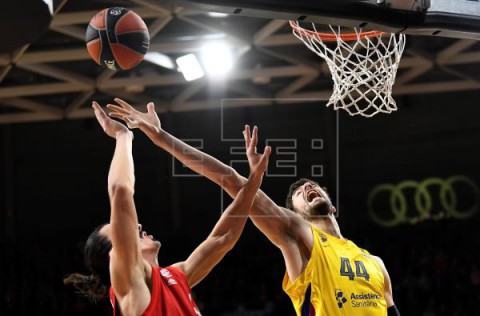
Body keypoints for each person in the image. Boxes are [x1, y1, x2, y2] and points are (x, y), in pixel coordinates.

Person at [107, 98, 401, 316]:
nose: (307, 188)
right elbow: (231, 181)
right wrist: (161, 137)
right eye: (299, 192)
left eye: (313, 186)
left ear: (333, 206)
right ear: (294, 215)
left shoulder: (376, 264)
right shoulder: (298, 236)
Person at [64, 101, 271, 316]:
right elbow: (120, 190)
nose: (137, 225)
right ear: (114, 256)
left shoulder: (175, 276)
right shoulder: (129, 286)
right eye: (122, 230)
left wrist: (254, 179)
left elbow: (223, 238)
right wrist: (123, 136)